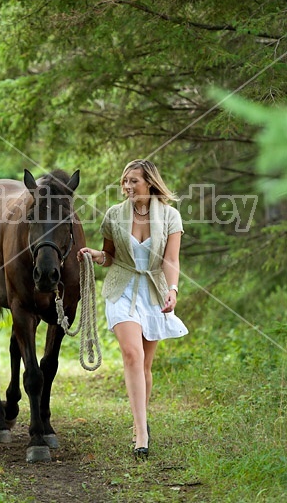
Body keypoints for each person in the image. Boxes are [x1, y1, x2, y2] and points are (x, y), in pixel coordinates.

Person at [77, 159, 188, 460]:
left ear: (149, 183)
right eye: (124, 181)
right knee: (132, 354)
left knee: (146, 366)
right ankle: (141, 433)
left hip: (154, 290)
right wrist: (95, 255)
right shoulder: (114, 214)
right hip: (121, 289)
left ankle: (142, 420)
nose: (127, 186)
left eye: (133, 181)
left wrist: (173, 290)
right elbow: (110, 255)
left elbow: (171, 261)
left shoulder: (170, 216)